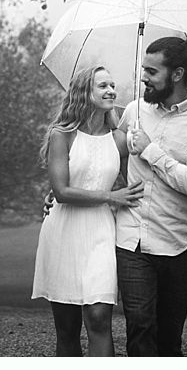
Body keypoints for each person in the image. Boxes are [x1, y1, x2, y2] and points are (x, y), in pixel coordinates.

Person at [115, 34, 187, 356]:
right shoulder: (134, 110)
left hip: (179, 243)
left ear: (177, 74)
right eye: (143, 69)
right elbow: (106, 157)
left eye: (152, 71)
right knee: (139, 324)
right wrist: (64, 190)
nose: (143, 77)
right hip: (132, 238)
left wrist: (150, 150)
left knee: (168, 337)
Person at [31, 65, 145, 356]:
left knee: (98, 318)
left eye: (112, 85)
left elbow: (141, 182)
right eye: (103, 86)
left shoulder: (119, 139)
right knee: (67, 327)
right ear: (85, 92)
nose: (111, 91)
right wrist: (110, 195)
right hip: (63, 232)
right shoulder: (62, 134)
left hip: (100, 233)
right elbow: (62, 192)